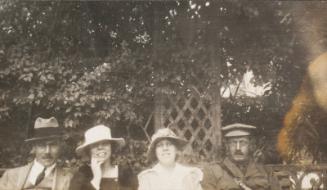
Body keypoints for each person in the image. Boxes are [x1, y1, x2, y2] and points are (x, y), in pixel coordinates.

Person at [0, 116, 73, 190]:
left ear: (60, 147)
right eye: (41, 146)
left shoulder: (70, 180)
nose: (47, 151)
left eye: (53, 145)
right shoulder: (11, 176)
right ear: (33, 147)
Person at [202, 123, 270, 190]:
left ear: (250, 145)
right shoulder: (212, 171)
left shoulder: (265, 171)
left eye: (243, 142)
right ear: (227, 146)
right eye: (233, 143)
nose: (238, 148)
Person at [69, 124, 137, 190]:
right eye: (95, 144)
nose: (100, 147)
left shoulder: (125, 175)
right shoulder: (82, 176)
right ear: (89, 150)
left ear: (111, 147)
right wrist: (96, 178)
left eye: (105, 143)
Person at [138, 128, 203, 190]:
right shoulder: (147, 178)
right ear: (155, 151)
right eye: (160, 145)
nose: (165, 148)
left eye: (169, 144)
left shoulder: (189, 175)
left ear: (176, 149)